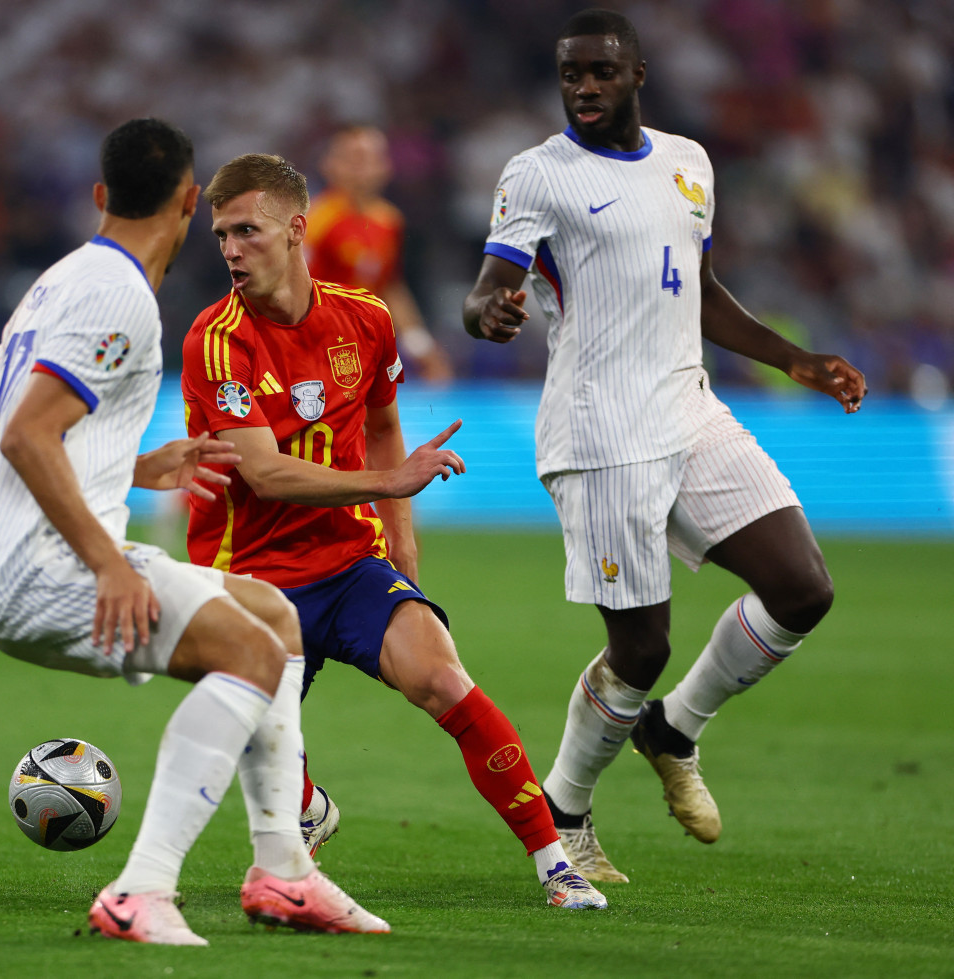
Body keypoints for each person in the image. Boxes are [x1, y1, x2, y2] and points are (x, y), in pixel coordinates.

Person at [0, 118, 390, 945]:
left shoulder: (55, 282)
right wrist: (106, 565)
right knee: (253, 657)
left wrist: (134, 467)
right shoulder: (119, 294)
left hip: (16, 556)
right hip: (46, 568)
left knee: (273, 615)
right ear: (192, 202)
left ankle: (286, 875)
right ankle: (141, 890)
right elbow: (20, 441)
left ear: (100, 197)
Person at [462, 9, 868, 884]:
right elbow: (488, 285)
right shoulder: (537, 174)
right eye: (572, 74)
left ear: (638, 73)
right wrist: (488, 313)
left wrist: (793, 356)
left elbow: (703, 288)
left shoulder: (690, 162)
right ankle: (564, 812)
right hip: (602, 432)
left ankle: (673, 728)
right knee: (640, 649)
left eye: (602, 72)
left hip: (691, 409)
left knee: (802, 589)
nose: (585, 88)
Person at [180, 152, 607, 910]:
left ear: (295, 229)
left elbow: (382, 423)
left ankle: (555, 861)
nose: (231, 250)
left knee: (445, 678)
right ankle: (306, 808)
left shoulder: (367, 319)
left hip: (349, 560)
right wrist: (390, 485)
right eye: (221, 235)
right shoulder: (217, 339)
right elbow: (266, 474)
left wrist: (399, 539)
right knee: (259, 734)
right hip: (251, 574)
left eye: (246, 230)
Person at [304, 125, 454, 384]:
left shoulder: (389, 221)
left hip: (361, 350)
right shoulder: (313, 220)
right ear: (329, 165)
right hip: (312, 348)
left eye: (372, 158)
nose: (363, 167)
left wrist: (421, 346)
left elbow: (390, 287)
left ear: (386, 167)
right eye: (354, 158)